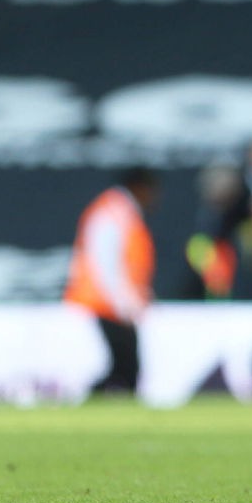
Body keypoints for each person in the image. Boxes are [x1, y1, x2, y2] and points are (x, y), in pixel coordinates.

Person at [62, 167, 159, 394]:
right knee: (126, 366)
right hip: (106, 302)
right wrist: (123, 303)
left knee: (124, 366)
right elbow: (105, 262)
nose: (154, 198)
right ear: (139, 188)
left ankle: (95, 401)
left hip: (110, 301)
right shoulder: (114, 212)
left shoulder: (120, 211)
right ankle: (92, 401)